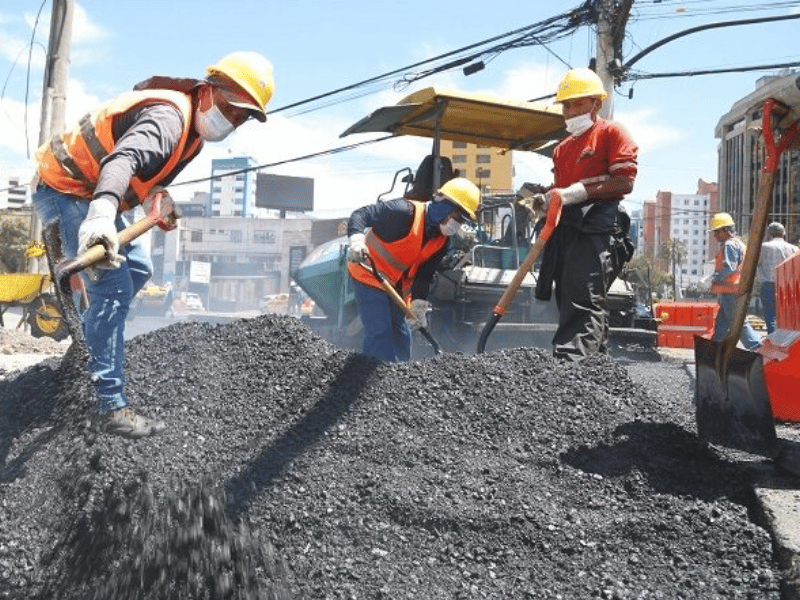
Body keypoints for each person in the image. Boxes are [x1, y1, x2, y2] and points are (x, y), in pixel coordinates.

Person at [31, 51, 274, 438]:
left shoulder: (192, 139)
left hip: (91, 190)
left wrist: (155, 198)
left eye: (242, 117)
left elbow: (147, 175)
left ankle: (93, 336)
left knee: (139, 270)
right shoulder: (170, 118)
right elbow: (123, 160)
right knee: (111, 286)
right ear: (209, 91)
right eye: (230, 108)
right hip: (68, 189)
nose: (233, 121)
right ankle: (109, 406)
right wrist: (100, 215)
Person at [519, 68, 637, 361]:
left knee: (584, 295)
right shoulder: (562, 148)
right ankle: (594, 365)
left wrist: (574, 193)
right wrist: (544, 199)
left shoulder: (611, 132)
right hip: (567, 225)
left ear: (596, 103)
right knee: (568, 295)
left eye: (577, 104)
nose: (569, 111)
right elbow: (561, 188)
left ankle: (572, 364)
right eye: (566, 105)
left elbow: (624, 181)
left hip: (597, 224)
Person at [346, 175, 480, 362]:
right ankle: (373, 384)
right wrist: (356, 240)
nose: (458, 225)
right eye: (458, 217)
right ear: (445, 206)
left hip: (394, 285)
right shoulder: (403, 211)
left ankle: (399, 382)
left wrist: (419, 305)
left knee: (402, 336)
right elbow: (361, 214)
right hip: (369, 272)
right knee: (380, 331)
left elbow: (424, 275)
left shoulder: (442, 241)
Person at [708, 213, 761, 350]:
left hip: (731, 291)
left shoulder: (729, 245)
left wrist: (715, 277)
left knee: (738, 323)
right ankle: (716, 350)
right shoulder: (738, 243)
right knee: (722, 324)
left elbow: (729, 268)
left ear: (725, 230)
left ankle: (757, 349)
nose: (714, 235)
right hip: (731, 291)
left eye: (716, 231)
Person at [756, 221, 798, 334]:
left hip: (768, 284)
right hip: (788, 286)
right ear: (784, 234)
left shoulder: (764, 247)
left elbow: (756, 263)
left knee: (771, 316)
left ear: (769, 234)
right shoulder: (794, 249)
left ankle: (773, 341)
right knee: (786, 317)